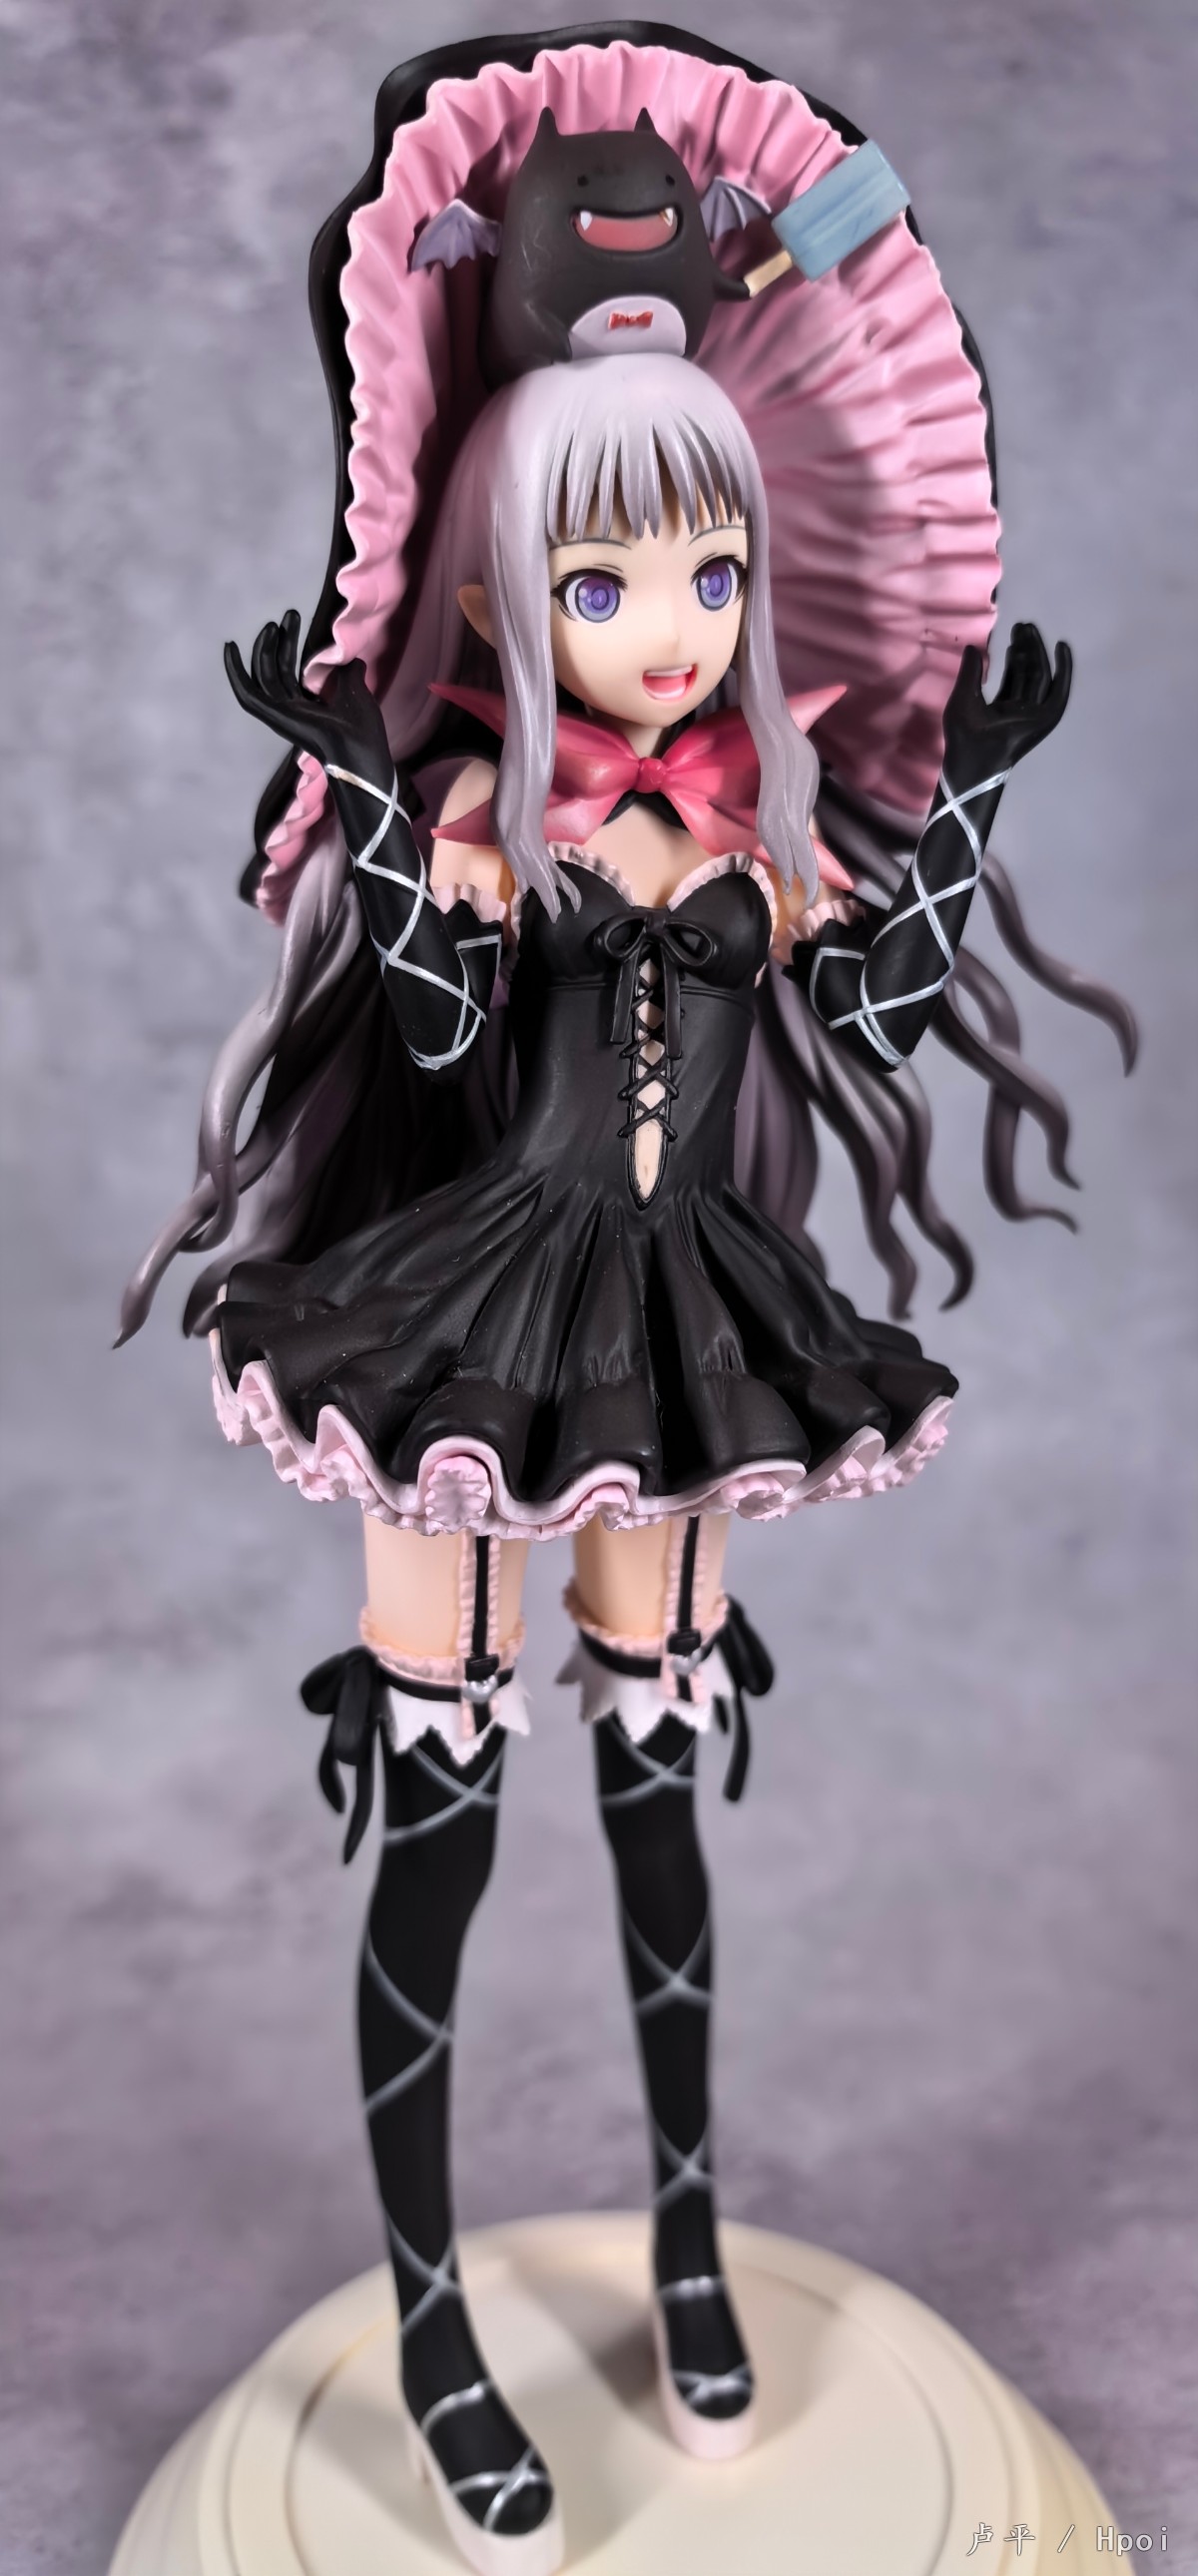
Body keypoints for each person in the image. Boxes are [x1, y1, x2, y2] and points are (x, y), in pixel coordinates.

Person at [122, 46, 1134, 2576]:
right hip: (470, 1322)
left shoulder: (755, 830)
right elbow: (439, 1022)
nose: (671, 635)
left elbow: (877, 1002)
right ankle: (432, 2319)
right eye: (601, 586)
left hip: (682, 1324)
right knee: (444, 1815)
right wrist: (368, 796)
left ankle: (688, 2245)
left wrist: (968, 797)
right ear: (493, 590)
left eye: (707, 576)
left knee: (662, 1784)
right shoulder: (492, 817)